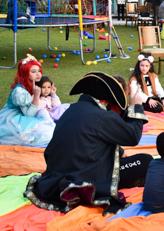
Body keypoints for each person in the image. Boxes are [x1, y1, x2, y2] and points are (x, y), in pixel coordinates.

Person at [24, 72, 153, 214]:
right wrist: (136, 106)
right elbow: (133, 136)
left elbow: (89, 138)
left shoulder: (73, 108)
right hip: (85, 176)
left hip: (57, 173)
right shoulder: (101, 116)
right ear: (106, 101)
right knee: (146, 161)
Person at [0, 55, 55, 146]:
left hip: (30, 113)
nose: (38, 74)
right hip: (14, 116)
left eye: (39, 71)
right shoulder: (20, 91)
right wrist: (36, 96)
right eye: (33, 72)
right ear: (25, 73)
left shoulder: (35, 84)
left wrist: (52, 94)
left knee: (51, 127)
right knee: (47, 133)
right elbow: (29, 114)